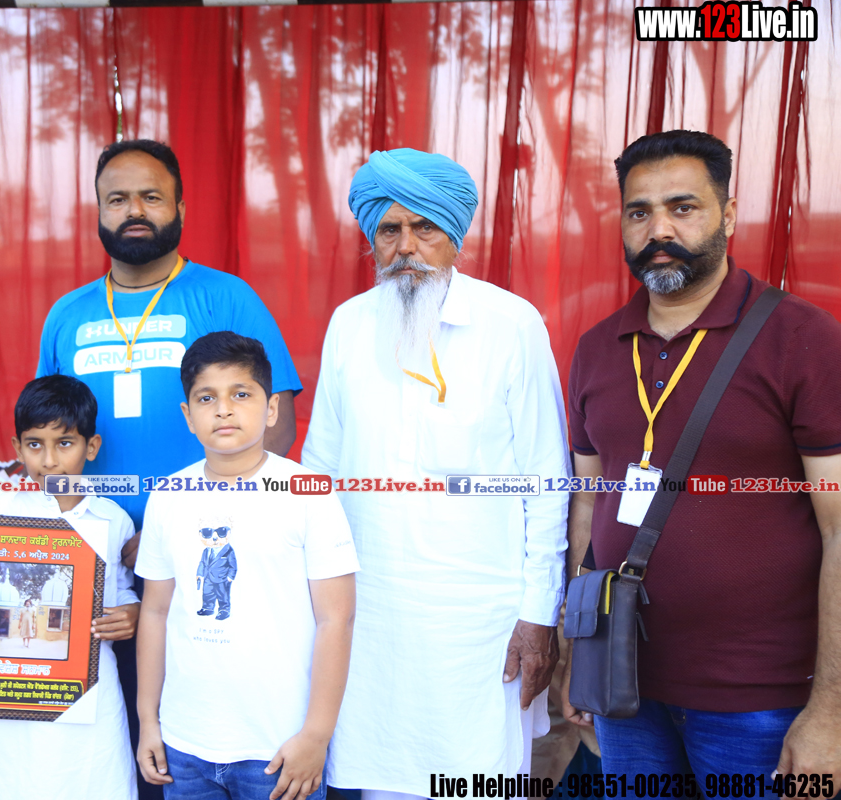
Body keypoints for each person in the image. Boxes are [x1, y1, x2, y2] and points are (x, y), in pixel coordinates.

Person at [560, 129, 841, 782]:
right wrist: (580, 653)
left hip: (762, 699)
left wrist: (831, 711)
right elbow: (587, 508)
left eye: (682, 207)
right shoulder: (597, 348)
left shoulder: (802, 338)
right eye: (639, 212)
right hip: (623, 688)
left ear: (729, 215)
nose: (659, 229)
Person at [35, 139, 303, 799]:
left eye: (151, 197)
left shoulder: (226, 298)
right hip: (97, 569)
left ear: (179, 207)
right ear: (98, 211)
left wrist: (177, 537)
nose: (134, 210)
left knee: (198, 749)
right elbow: (48, 437)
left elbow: (275, 425)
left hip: (200, 564)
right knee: (112, 750)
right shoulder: (66, 315)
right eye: (117, 198)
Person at [300, 149, 571, 798]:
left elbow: (546, 481)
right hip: (371, 612)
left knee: (476, 779)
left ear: (454, 235)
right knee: (380, 779)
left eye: (424, 228)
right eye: (389, 230)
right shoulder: (349, 323)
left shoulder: (511, 324)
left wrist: (539, 615)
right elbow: (320, 468)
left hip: (480, 620)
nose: (406, 247)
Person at [134, 332, 358, 800]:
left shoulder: (309, 494)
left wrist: (316, 736)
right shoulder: (168, 496)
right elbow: (154, 613)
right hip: (184, 747)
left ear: (271, 408)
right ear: (187, 415)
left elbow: (336, 619)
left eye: (241, 394)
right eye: (206, 398)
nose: (224, 410)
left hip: (278, 750)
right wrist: (149, 721)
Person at [0, 374, 141, 800]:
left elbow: (122, 591)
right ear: (17, 448)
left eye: (65, 443)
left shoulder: (112, 519)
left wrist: (131, 613)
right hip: (6, 696)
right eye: (35, 444)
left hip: (88, 698)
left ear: (91, 446)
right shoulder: (0, 510)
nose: (49, 461)